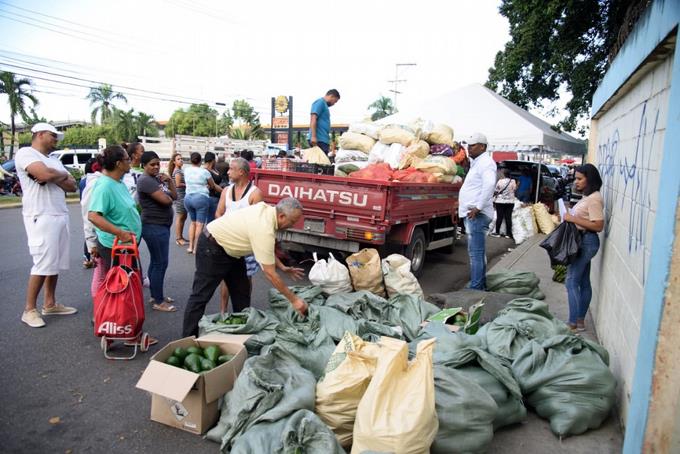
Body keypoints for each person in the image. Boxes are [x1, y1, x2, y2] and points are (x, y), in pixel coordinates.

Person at [182, 198, 307, 337]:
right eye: (292, 222)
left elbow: (265, 247)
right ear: (281, 216)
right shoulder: (264, 227)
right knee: (201, 295)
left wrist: (282, 267)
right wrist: (295, 301)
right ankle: (188, 338)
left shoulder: (266, 210)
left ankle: (240, 335)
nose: (292, 226)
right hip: (212, 247)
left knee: (242, 293)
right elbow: (270, 274)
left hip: (232, 251)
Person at [87, 145, 157, 346]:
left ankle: (122, 330)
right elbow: (93, 216)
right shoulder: (105, 185)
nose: (131, 160)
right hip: (115, 246)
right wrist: (119, 232)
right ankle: (126, 333)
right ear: (118, 163)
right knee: (122, 290)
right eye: (127, 158)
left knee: (129, 287)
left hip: (127, 244)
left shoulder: (117, 182)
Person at [15, 122, 78, 328]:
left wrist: (53, 175)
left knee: (55, 262)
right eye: (52, 136)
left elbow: (72, 185)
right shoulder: (26, 153)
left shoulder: (52, 160)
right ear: (40, 134)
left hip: (59, 212)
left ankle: (49, 303)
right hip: (40, 214)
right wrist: (56, 175)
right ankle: (29, 309)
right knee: (42, 262)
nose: (55, 141)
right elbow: (44, 176)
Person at [214, 157, 264, 313]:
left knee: (245, 278)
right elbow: (218, 213)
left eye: (231, 169)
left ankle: (244, 310)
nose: (228, 172)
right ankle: (223, 311)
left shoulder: (255, 193)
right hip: (227, 243)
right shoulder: (227, 191)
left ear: (241, 172)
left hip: (245, 246)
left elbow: (256, 222)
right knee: (226, 279)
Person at [562, 163, 604, 332]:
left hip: (586, 242)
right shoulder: (590, 197)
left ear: (590, 179)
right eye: (575, 179)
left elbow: (598, 225)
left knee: (571, 281)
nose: (576, 182)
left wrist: (573, 219)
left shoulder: (594, 199)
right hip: (585, 241)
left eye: (580, 179)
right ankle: (579, 322)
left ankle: (572, 323)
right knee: (584, 282)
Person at [137, 151, 178, 312]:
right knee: (160, 263)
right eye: (152, 164)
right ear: (144, 165)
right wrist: (167, 192)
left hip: (160, 226)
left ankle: (156, 295)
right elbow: (167, 200)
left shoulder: (155, 179)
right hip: (153, 225)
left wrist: (170, 181)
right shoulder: (146, 180)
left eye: (157, 163)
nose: (155, 167)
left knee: (157, 262)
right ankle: (158, 301)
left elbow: (174, 196)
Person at [458, 132, 497, 291]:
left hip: (477, 215)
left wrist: (478, 207)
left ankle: (476, 288)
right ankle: (479, 284)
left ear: (483, 147)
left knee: (475, 254)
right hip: (474, 213)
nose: (468, 149)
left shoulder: (486, 163)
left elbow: (489, 185)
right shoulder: (478, 163)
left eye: (472, 145)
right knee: (477, 254)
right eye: (468, 145)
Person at [183, 152, 221, 254]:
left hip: (188, 198)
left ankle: (190, 247)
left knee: (193, 223)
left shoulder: (186, 170)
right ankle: (196, 248)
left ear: (191, 161)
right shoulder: (205, 172)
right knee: (200, 225)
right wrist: (222, 190)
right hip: (200, 198)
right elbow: (212, 185)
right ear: (201, 161)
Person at [308, 89, 340, 155]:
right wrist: (313, 136)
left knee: (323, 163)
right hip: (318, 139)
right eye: (335, 101)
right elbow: (313, 118)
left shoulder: (324, 105)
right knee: (320, 163)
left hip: (323, 139)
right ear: (331, 96)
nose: (334, 104)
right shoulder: (320, 102)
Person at [167, 153, 188, 246]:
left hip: (182, 196)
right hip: (180, 196)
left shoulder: (180, 170)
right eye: (178, 159)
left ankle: (181, 236)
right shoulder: (178, 172)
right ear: (174, 162)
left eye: (181, 158)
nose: (181, 160)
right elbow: (178, 184)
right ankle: (178, 238)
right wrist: (188, 184)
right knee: (180, 217)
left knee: (183, 217)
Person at [491, 168, 517, 239]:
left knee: (500, 217)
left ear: (504, 174)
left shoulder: (500, 181)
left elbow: (496, 190)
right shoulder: (513, 181)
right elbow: (514, 189)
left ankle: (497, 232)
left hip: (500, 202)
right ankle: (508, 234)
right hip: (510, 202)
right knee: (508, 217)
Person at [203, 151, 223, 223]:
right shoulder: (205, 171)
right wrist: (224, 191)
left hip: (217, 196)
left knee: (215, 219)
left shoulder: (214, 169)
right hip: (211, 196)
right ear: (213, 160)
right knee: (211, 219)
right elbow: (213, 185)